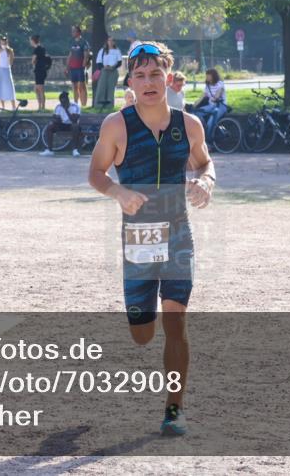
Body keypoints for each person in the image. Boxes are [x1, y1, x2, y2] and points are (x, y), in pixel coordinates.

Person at [88, 41, 215, 437]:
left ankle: (174, 409)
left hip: (178, 234)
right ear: (130, 81)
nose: (148, 82)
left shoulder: (189, 125)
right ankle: (144, 312)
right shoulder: (116, 125)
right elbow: (96, 173)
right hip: (139, 238)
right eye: (140, 75)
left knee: (176, 322)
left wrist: (206, 182)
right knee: (142, 334)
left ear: (168, 78)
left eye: (155, 74)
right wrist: (118, 192)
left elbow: (205, 162)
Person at [40, 91, 82, 157]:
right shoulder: (58, 106)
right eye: (62, 102)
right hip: (61, 124)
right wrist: (56, 119)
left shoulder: (75, 106)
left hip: (71, 125)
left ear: (68, 100)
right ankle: (50, 150)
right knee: (50, 127)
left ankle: (75, 150)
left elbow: (74, 120)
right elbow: (55, 117)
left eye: (64, 102)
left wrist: (66, 110)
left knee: (75, 126)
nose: (63, 104)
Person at [194, 68, 227, 141]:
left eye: (208, 75)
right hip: (211, 106)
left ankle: (209, 140)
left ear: (213, 76)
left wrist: (215, 98)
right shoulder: (207, 86)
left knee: (210, 122)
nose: (207, 77)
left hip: (221, 106)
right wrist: (194, 105)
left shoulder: (220, 84)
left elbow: (218, 94)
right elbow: (202, 97)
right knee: (197, 113)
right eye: (206, 76)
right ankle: (203, 127)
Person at [93, 36, 123, 110]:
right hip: (104, 71)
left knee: (111, 89)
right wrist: (104, 67)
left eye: (112, 40)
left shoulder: (117, 51)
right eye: (109, 40)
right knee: (101, 88)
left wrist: (113, 67)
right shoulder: (102, 50)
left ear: (114, 42)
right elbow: (98, 62)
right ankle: (99, 105)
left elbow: (119, 62)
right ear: (107, 41)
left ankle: (109, 106)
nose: (111, 42)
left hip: (113, 71)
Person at [68, 25, 90, 107]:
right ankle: (75, 104)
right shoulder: (72, 42)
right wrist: (67, 66)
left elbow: (86, 54)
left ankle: (84, 105)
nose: (72, 32)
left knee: (82, 86)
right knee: (74, 86)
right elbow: (70, 54)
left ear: (78, 32)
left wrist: (84, 65)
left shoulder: (84, 42)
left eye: (74, 31)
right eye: (72, 31)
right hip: (72, 67)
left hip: (80, 67)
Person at [0, 36, 16, 110]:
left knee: (9, 87)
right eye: (2, 42)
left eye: (5, 42)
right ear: (0, 42)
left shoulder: (10, 50)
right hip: (0, 69)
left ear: (7, 42)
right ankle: (3, 107)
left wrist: (7, 52)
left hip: (7, 69)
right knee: (0, 86)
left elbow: (11, 61)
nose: (3, 44)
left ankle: (13, 106)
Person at [30, 35, 51, 112]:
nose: (30, 42)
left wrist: (34, 62)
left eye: (30, 40)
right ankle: (40, 106)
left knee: (40, 89)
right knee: (36, 89)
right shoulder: (42, 48)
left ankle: (42, 107)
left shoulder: (37, 49)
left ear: (33, 41)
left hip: (39, 70)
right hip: (42, 70)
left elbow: (33, 60)